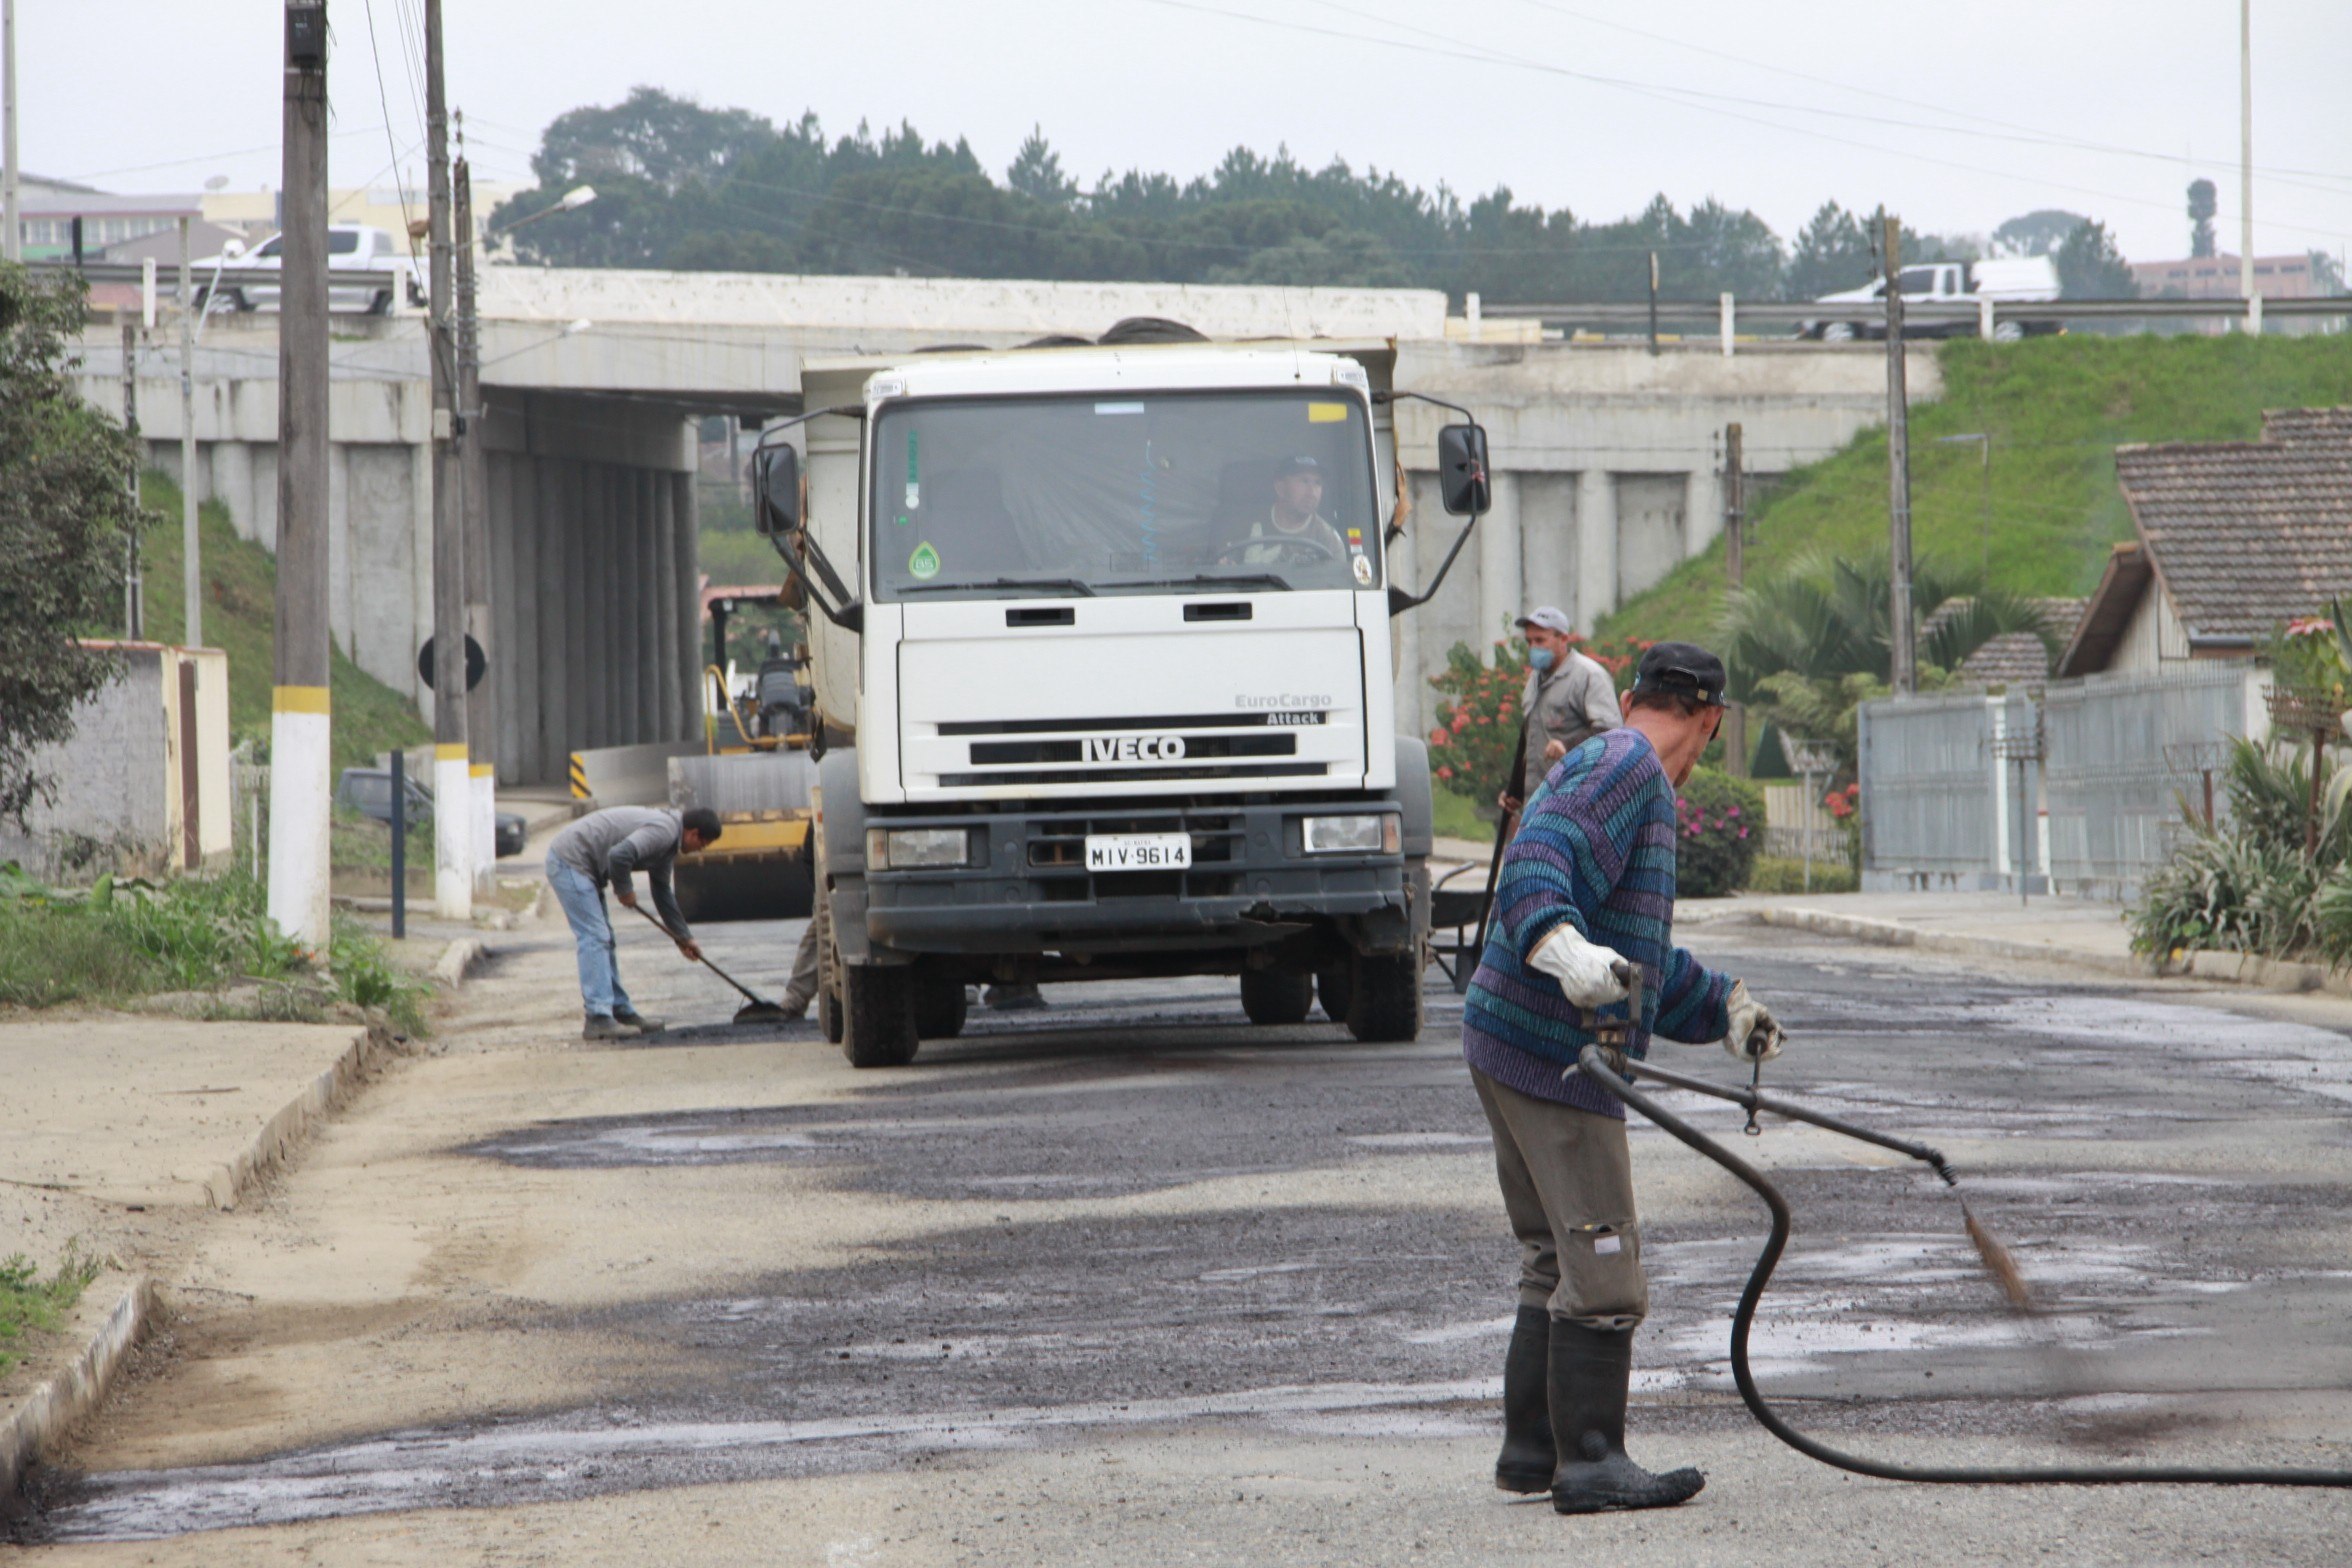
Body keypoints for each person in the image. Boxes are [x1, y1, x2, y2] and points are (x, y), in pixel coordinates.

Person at [1461, 641, 1785, 1515]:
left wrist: (1724, 1007)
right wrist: (1561, 950)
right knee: (1604, 1266)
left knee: (1551, 1255)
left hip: (1505, 1040)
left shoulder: (1614, 761)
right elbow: (1536, 862)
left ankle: (1532, 1450)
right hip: (1557, 1057)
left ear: (1636, 694)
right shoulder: (1631, 767)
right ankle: (1593, 1461)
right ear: (1712, 721)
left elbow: (1638, 961)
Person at [545, 805, 722, 1040]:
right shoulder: (665, 831)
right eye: (703, 844)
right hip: (570, 861)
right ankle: (598, 1018)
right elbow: (619, 855)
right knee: (596, 936)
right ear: (693, 834)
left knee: (605, 937)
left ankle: (620, 1011)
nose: (701, 850)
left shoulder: (669, 842)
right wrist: (624, 889)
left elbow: (662, 891)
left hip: (585, 867)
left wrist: (683, 937)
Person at [1496, 607, 1621, 819]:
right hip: (1537, 804)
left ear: (1563, 639)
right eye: (1529, 642)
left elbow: (1611, 733)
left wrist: (1568, 746)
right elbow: (1529, 737)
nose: (1533, 647)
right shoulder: (1534, 680)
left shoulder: (1589, 676)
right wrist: (1516, 789)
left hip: (1577, 806)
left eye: (1540, 640)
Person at [1220, 455, 1350, 572]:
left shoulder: (1328, 539)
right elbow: (1223, 570)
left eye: (1317, 483)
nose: (1312, 493)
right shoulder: (1244, 525)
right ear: (1280, 488)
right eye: (1304, 481)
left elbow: (1336, 587)